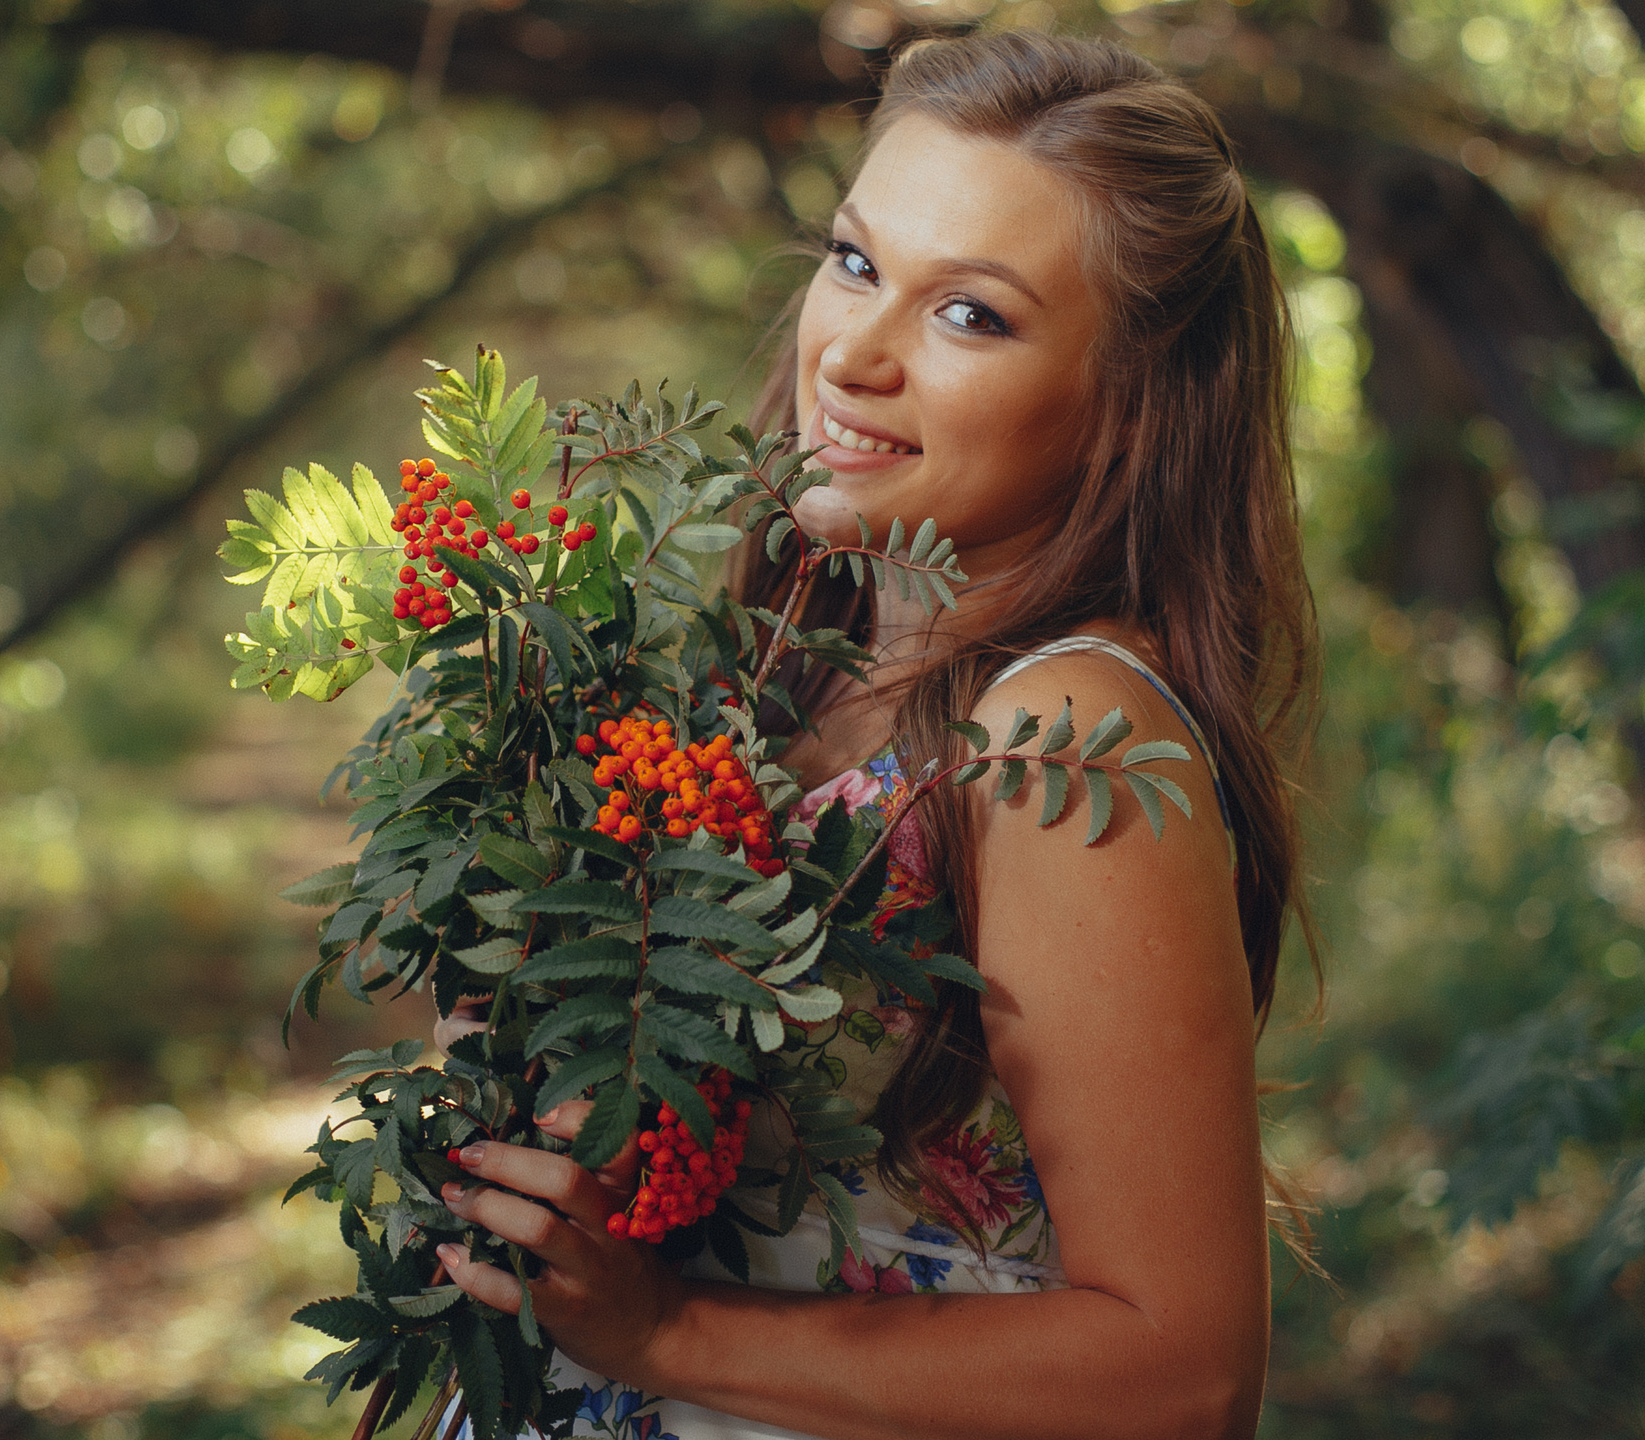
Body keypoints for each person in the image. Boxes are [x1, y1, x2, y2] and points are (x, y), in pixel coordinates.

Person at [428, 29, 1317, 1440]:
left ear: (1130, 411)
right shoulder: (795, 663)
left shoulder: (1061, 737)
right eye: (855, 263)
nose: (855, 352)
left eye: (971, 315)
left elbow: (1184, 1377)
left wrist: (667, 1331)